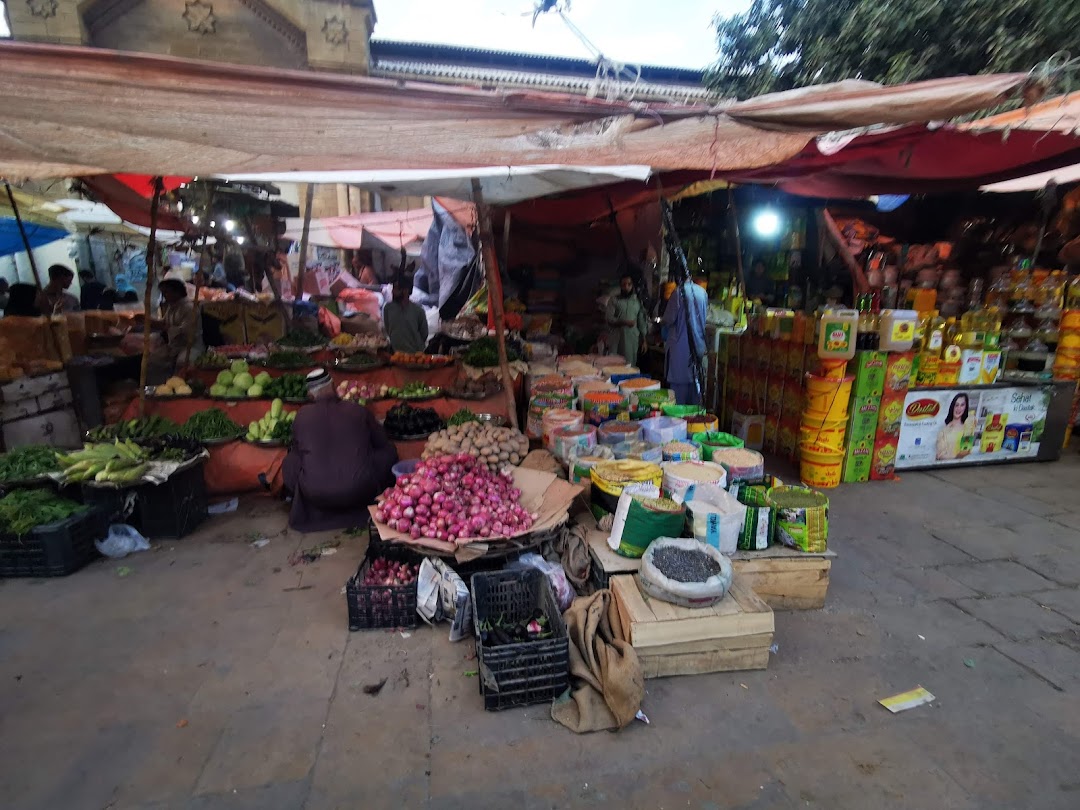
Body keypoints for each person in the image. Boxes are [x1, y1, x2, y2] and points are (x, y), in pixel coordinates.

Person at [282, 369, 398, 532]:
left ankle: (309, 504)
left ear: (310, 394)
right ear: (334, 386)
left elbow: (298, 451)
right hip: (359, 489)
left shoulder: (302, 416)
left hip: (315, 493)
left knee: (291, 460)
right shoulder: (357, 410)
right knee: (388, 451)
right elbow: (382, 442)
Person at [662, 270, 709, 405]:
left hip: (680, 350)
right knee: (695, 392)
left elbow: (669, 319)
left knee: (679, 398)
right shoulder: (702, 292)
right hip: (698, 347)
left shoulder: (678, 293)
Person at [149, 278, 203, 380]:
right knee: (152, 360)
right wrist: (148, 321)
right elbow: (164, 322)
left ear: (176, 292)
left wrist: (165, 327)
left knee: (182, 362)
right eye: (163, 292)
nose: (164, 295)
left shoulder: (189, 308)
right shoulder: (171, 307)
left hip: (190, 346)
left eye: (166, 292)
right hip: (174, 346)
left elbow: (184, 332)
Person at [605, 272, 648, 365]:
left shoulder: (637, 301)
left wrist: (644, 340)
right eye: (624, 285)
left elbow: (641, 322)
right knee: (614, 366)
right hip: (617, 339)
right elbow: (609, 319)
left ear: (632, 285)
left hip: (632, 340)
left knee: (630, 365)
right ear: (620, 286)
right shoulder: (614, 300)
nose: (626, 287)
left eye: (629, 284)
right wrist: (624, 322)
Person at [382, 281, 428, 353]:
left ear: (406, 290)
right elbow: (388, 330)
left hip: (416, 354)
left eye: (397, 289)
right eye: (393, 288)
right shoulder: (388, 308)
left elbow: (424, 334)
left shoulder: (418, 311)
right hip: (396, 354)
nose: (393, 291)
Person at [936, 393, 974, 461]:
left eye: (962, 405)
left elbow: (969, 451)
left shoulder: (968, 429)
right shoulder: (944, 431)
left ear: (965, 407)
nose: (959, 408)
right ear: (952, 407)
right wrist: (957, 457)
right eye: (956, 405)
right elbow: (940, 455)